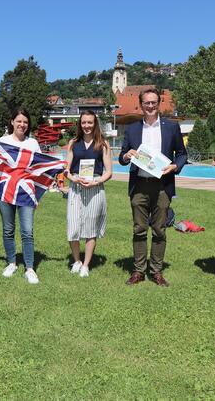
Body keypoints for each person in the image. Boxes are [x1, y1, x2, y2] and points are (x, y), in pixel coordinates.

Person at [118, 88, 187, 287]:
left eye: (154, 102)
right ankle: (139, 270)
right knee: (139, 229)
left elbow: (182, 154)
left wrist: (175, 166)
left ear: (159, 104)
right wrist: (126, 156)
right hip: (139, 185)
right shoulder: (132, 129)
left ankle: (156, 271)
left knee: (159, 230)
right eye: (147, 103)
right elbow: (123, 157)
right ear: (141, 105)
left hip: (162, 186)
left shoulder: (170, 127)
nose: (150, 106)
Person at [0, 110, 42, 284]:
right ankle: (11, 262)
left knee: (27, 231)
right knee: (8, 229)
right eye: (19, 121)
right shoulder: (3, 141)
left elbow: (39, 168)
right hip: (6, 191)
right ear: (12, 122)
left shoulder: (33, 143)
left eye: (25, 122)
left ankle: (29, 268)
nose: (22, 124)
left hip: (26, 192)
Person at [65, 110, 112, 277]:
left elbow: (108, 172)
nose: (87, 126)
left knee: (91, 227)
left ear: (95, 123)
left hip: (95, 188)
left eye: (90, 122)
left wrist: (96, 182)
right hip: (76, 188)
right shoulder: (73, 143)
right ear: (80, 124)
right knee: (73, 225)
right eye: (84, 122)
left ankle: (85, 265)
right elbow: (66, 170)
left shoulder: (103, 144)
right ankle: (77, 261)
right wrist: (73, 178)